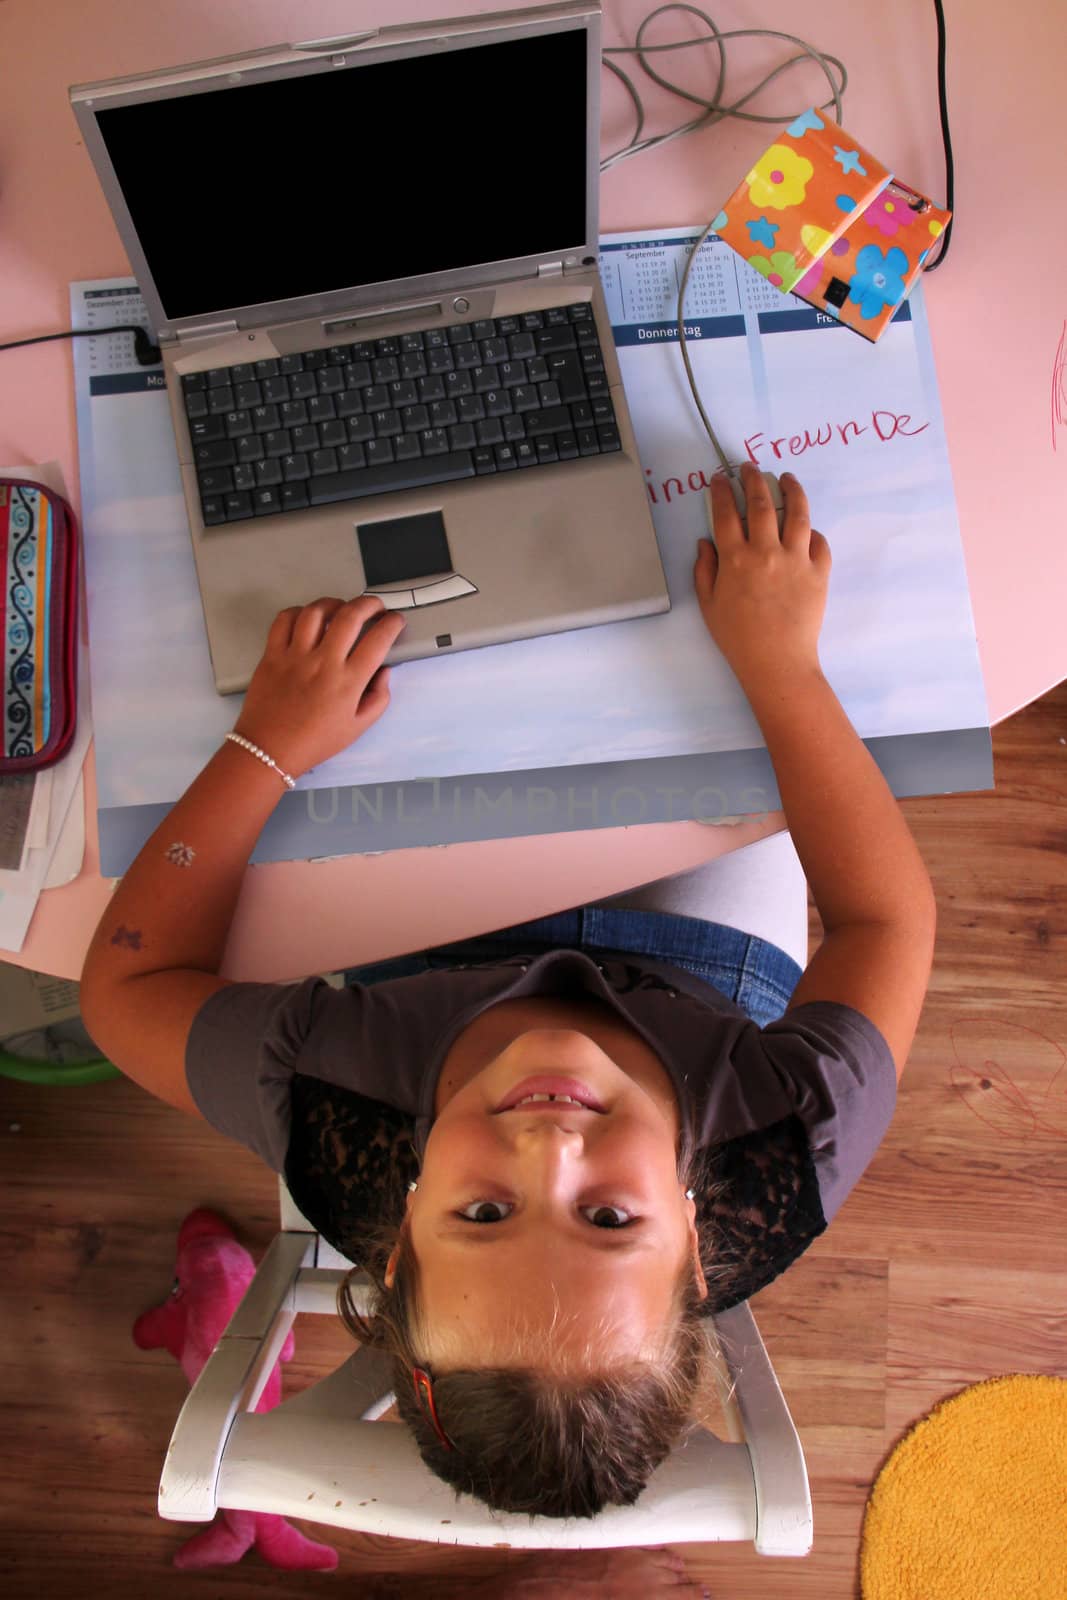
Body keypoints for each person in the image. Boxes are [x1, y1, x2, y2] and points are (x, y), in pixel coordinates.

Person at [81, 463, 935, 1522]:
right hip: (693, 959)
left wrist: (268, 743)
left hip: (436, 949)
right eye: (608, 1216)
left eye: (484, 1212)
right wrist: (782, 670)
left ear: (396, 1240)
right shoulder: (788, 1137)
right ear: (695, 1231)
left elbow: (125, 987)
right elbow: (881, 922)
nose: (547, 1148)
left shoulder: (329, 1104)